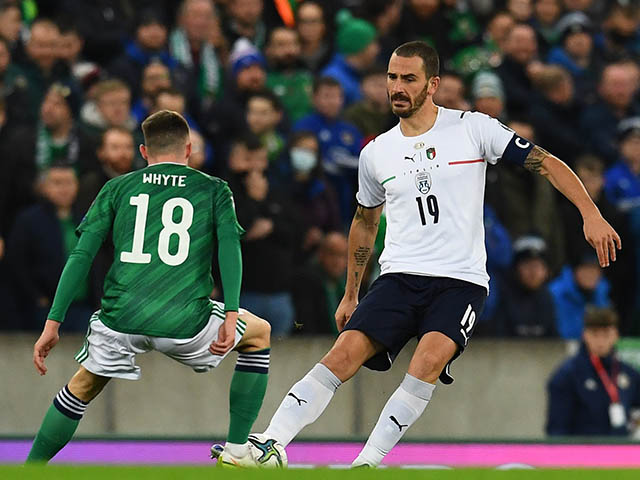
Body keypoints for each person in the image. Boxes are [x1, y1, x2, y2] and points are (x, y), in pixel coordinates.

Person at [256, 41, 620, 468]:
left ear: (433, 84)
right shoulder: (376, 152)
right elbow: (365, 221)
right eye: (392, 77)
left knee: (428, 359)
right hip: (397, 277)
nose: (397, 87)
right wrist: (351, 292)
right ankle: (271, 443)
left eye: (408, 79)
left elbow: (546, 162)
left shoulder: (474, 128)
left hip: (460, 281)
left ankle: (366, 463)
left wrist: (590, 214)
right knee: (343, 354)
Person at [26, 110, 272, 467]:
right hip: (185, 321)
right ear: (188, 150)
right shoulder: (214, 189)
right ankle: (236, 452)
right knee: (260, 333)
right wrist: (231, 313)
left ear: (143, 152)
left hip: (121, 318)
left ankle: (28, 471)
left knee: (81, 387)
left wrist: (53, 323)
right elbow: (229, 251)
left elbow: (81, 255)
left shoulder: (116, 187)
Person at [546, 307, 640, 436]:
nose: (600, 342)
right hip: (583, 452)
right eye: (595, 334)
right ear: (585, 335)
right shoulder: (567, 375)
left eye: (606, 334)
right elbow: (557, 428)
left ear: (616, 335)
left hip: (620, 451)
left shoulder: (629, 374)